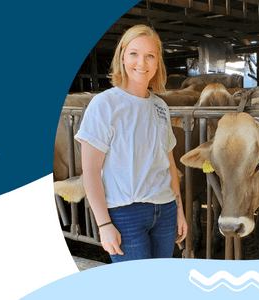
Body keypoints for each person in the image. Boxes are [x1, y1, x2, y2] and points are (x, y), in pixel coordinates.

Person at [74, 25, 187, 262]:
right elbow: (91, 171)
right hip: (125, 213)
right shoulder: (104, 105)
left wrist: (179, 211)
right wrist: (104, 224)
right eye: (134, 53)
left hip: (164, 210)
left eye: (150, 56)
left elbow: (169, 163)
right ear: (122, 56)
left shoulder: (160, 107)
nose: (142, 63)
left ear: (157, 63)